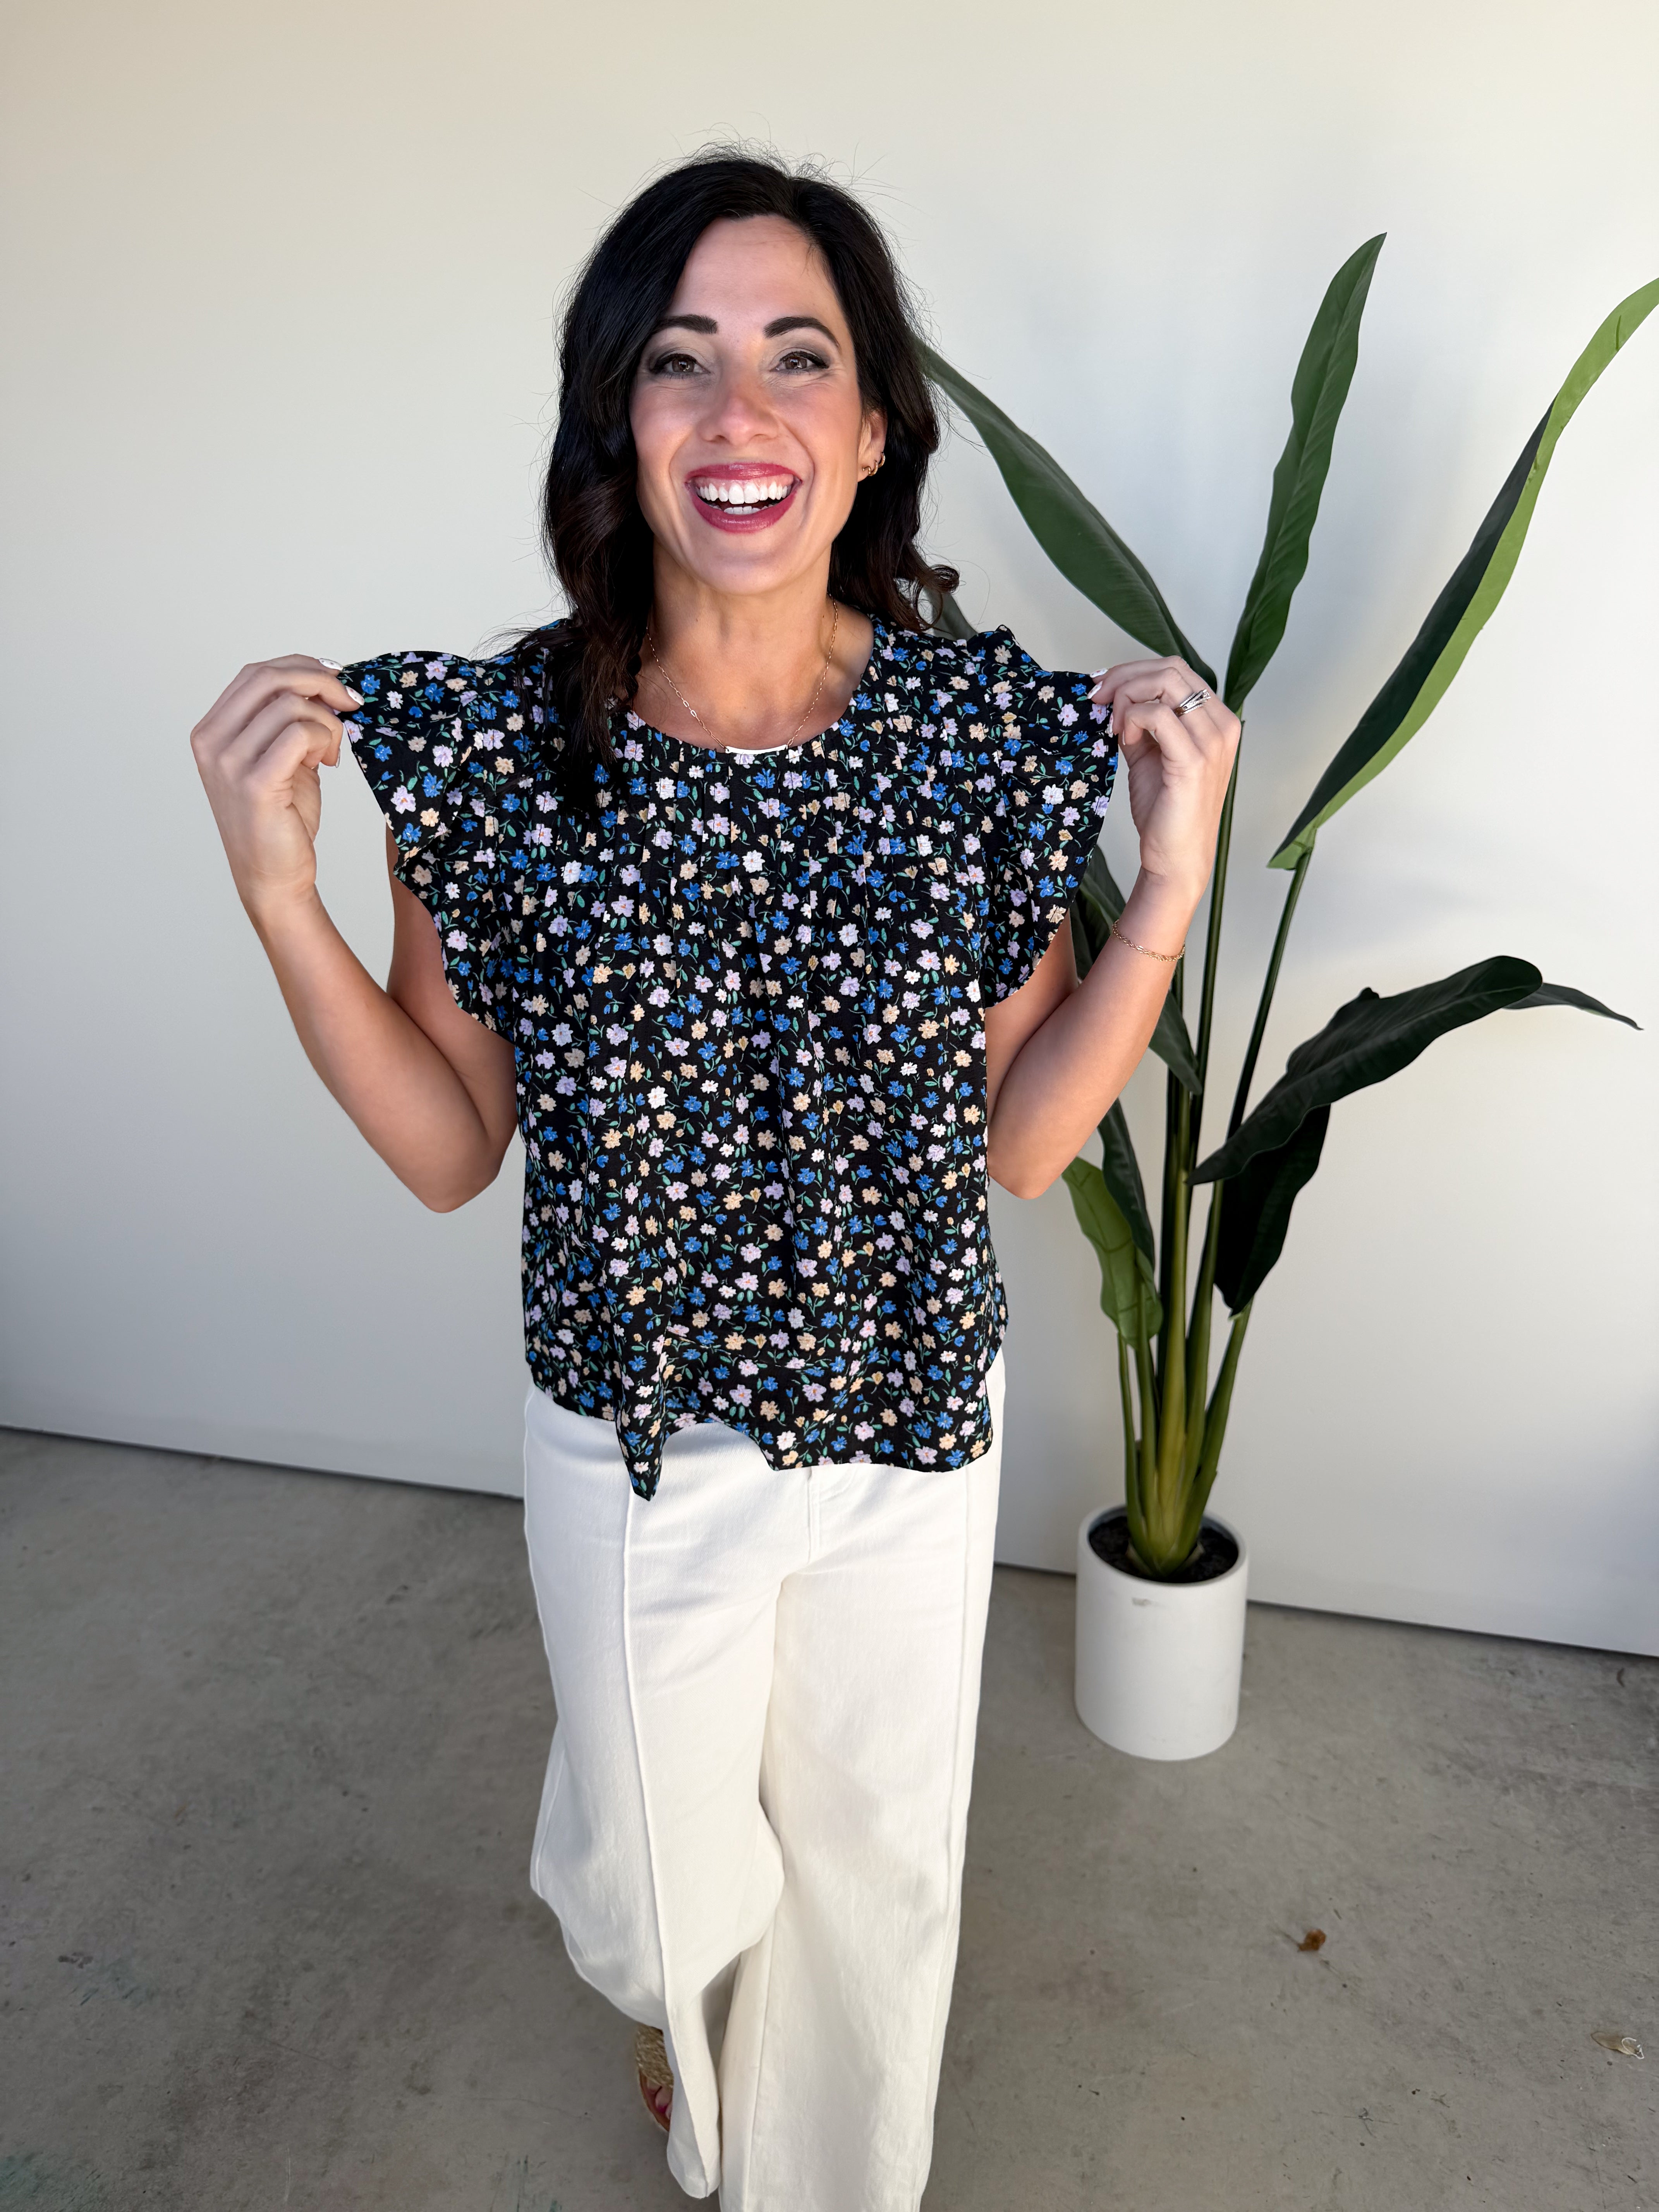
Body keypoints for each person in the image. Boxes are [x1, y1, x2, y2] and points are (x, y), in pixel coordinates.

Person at [190, 149, 1238, 2212]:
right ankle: (676, 2001)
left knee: (879, 1893)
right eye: (680, 361)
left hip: (908, 1426)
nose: (738, 408)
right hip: (637, 1439)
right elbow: (451, 1150)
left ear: (872, 431)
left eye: (796, 357)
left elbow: (1027, 1140)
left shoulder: (976, 741)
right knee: (655, 1895)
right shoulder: (499, 749)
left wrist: (1171, 885)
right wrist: (280, 902)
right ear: (623, 419)